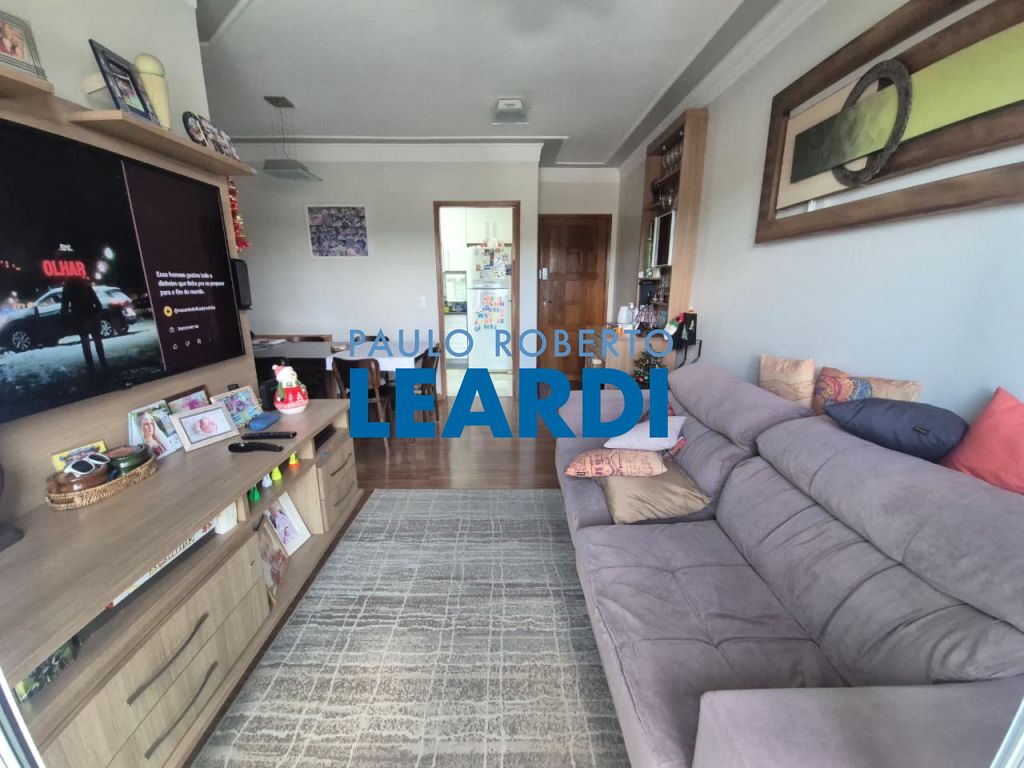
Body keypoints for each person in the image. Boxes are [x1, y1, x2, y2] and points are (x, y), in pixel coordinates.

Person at [60, 277, 108, 378]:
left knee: (86, 345)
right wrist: (95, 315)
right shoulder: (87, 287)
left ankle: (91, 369)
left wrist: (67, 320)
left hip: (80, 320)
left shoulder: (68, 289)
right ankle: (104, 365)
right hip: (91, 318)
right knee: (97, 342)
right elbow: (98, 304)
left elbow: (64, 308)